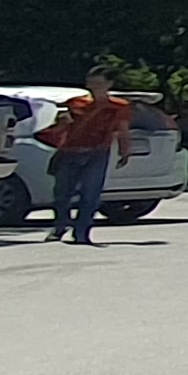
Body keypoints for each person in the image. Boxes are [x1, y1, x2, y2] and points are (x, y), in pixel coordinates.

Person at [42, 66, 129, 247]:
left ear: (109, 84)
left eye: (98, 83)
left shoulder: (119, 107)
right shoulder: (75, 103)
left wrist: (125, 150)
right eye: (91, 82)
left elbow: (122, 130)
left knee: (90, 195)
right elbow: (61, 125)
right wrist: (60, 122)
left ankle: (82, 232)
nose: (93, 86)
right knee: (62, 194)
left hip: (98, 153)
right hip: (70, 151)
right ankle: (60, 225)